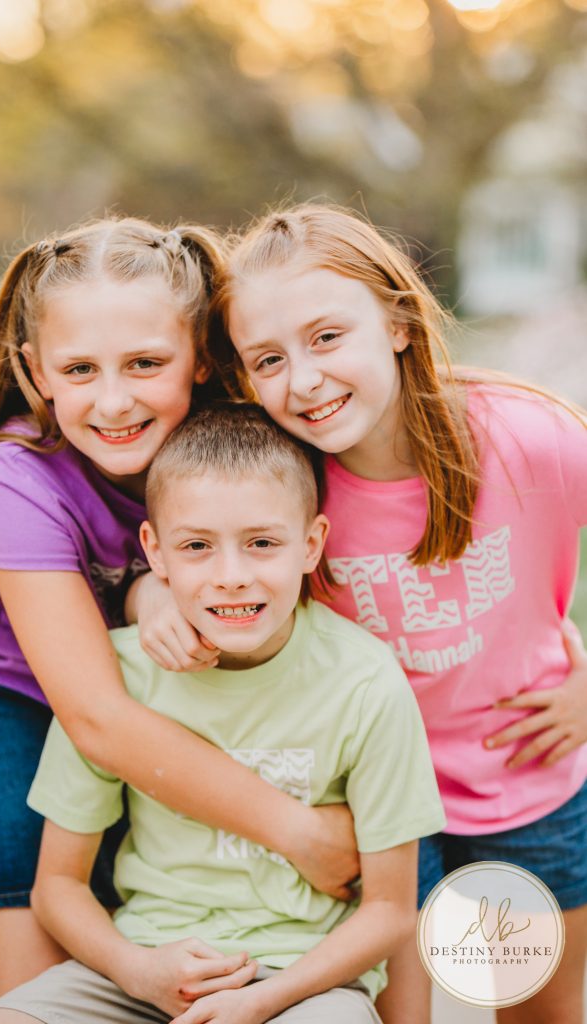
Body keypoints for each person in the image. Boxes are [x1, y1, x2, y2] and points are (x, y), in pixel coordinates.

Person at [138, 204, 587, 1024]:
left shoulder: (529, 437)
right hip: (369, 805)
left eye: (326, 337)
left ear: (399, 323)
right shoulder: (285, 485)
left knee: (540, 1015)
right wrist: (152, 592)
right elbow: (193, 553)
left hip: (526, 785)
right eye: (268, 359)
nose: (303, 379)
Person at [0, 217, 361, 1011]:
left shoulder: (245, 444)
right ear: (34, 370)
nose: (113, 400)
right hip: (0, 690)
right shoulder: (15, 471)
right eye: (79, 368)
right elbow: (97, 718)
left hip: (151, 684)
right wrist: (296, 831)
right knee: (34, 980)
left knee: (158, 931)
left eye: (146, 363)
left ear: (202, 357)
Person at [0, 403, 445, 1024]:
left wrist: (260, 1001)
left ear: (311, 545)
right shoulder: (117, 674)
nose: (231, 576)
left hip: (302, 982)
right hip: (145, 966)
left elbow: (390, 910)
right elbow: (57, 889)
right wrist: (136, 971)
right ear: (154, 550)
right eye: (196, 546)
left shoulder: (365, 681)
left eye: (262, 544)